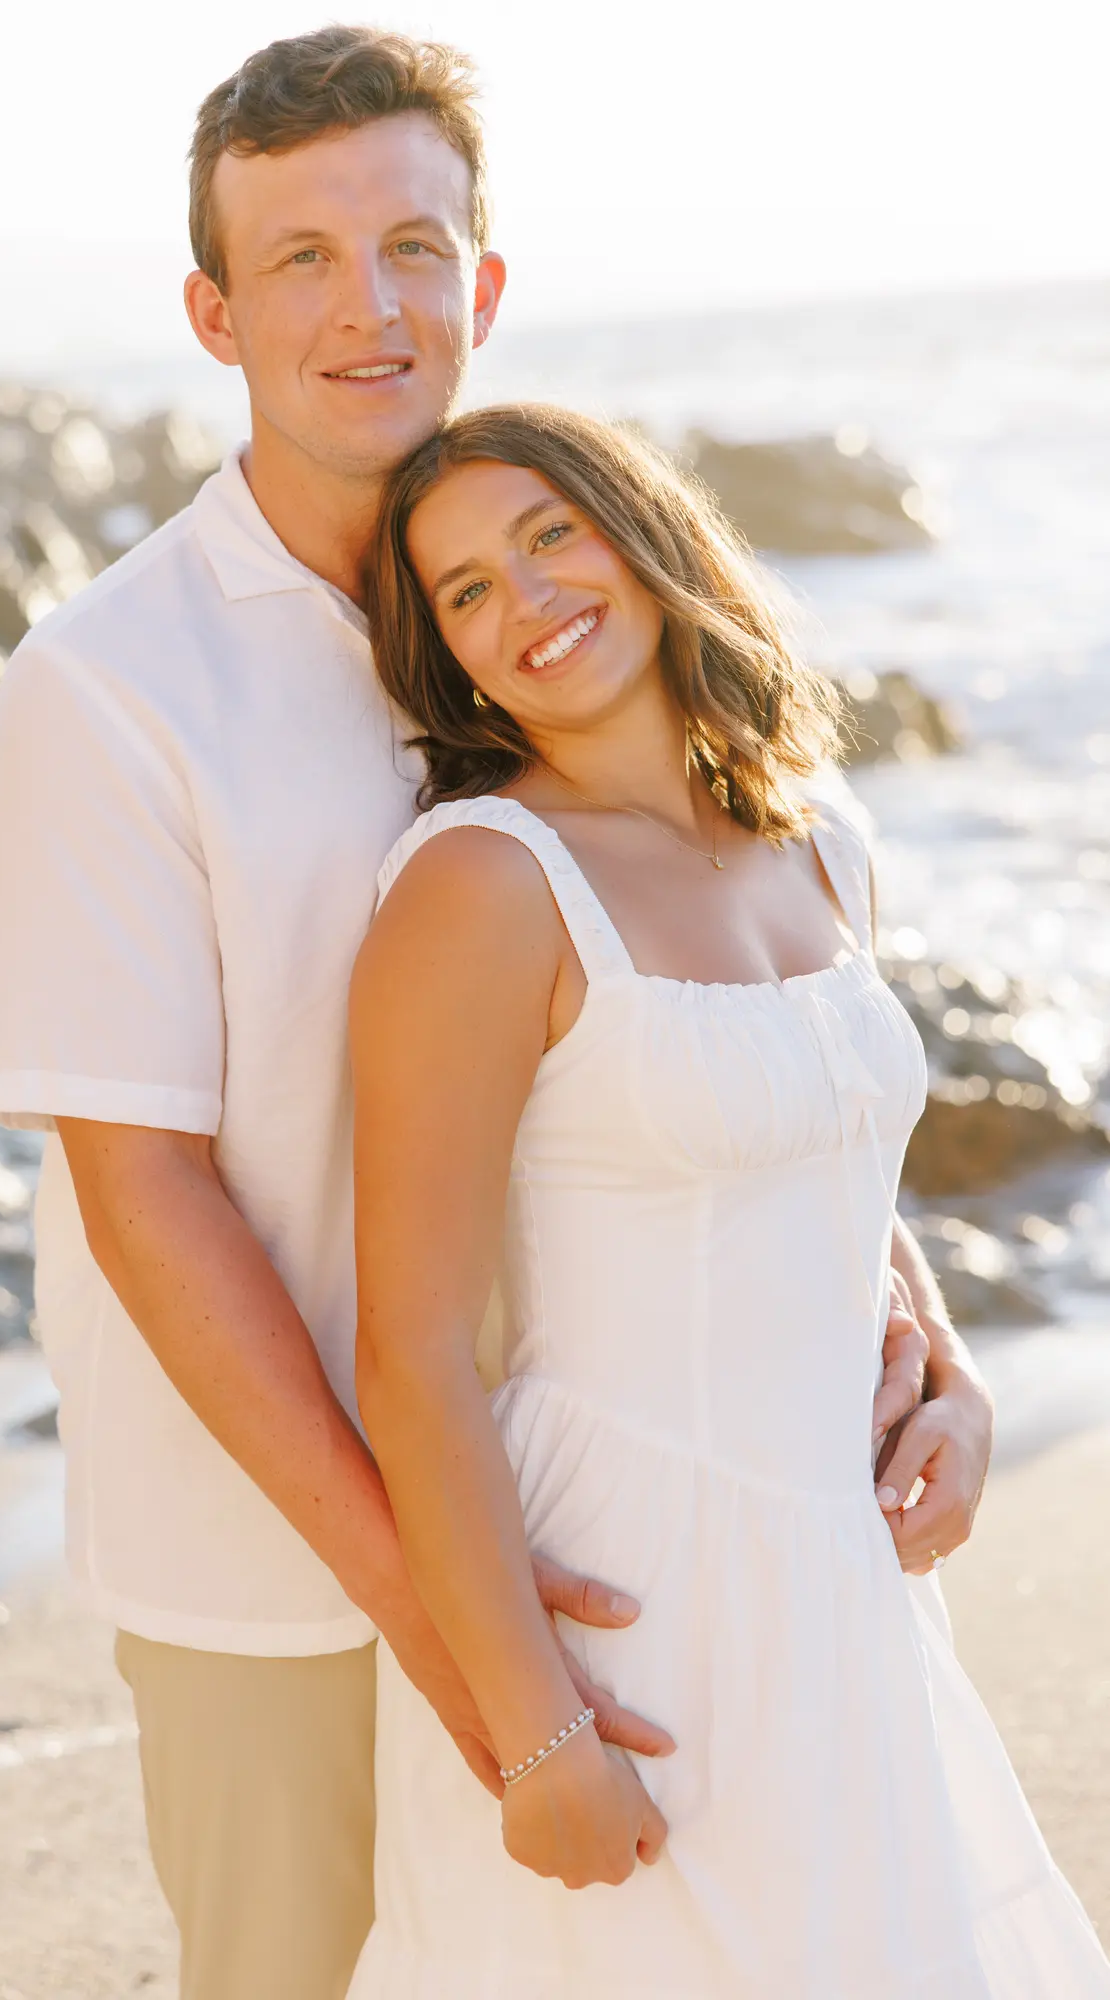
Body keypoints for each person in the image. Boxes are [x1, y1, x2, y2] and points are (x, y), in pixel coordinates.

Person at [0, 27, 990, 2000]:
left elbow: (712, 1028)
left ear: (484, 281)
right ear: (213, 309)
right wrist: (445, 1618)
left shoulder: (538, 588)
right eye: (300, 258)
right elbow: (142, 1192)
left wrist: (909, 1325)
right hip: (281, 1566)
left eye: (413, 246)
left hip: (630, 1528)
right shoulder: (109, 686)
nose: (368, 305)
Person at [345, 402, 1110, 1997]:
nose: (525, 599)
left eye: (547, 534)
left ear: (642, 529)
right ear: (446, 656)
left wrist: (949, 1378)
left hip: (836, 1577)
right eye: (465, 590)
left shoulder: (817, 834)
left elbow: (825, 1154)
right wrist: (533, 1725)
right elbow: (408, 1346)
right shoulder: (480, 885)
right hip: (625, 1606)